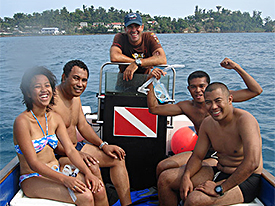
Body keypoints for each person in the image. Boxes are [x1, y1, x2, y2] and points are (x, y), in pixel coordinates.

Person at [147, 57, 263, 177]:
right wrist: (150, 82)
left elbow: (256, 91)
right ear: (188, 89)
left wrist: (236, 67)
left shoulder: (222, 99)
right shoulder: (187, 106)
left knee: (181, 176)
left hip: (219, 155)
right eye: (193, 87)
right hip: (201, 151)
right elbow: (154, 109)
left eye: (202, 86)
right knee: (162, 166)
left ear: (209, 87)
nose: (198, 90)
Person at [13, 66, 108, 206]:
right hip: (33, 177)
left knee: (98, 188)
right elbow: (33, 162)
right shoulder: (22, 122)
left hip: (56, 169)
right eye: (37, 87)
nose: (44, 90)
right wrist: (64, 179)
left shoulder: (55, 118)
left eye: (47, 86)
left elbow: (70, 150)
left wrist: (87, 173)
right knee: (85, 196)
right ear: (28, 92)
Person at [158, 82, 263, 206]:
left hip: (245, 180)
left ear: (230, 99)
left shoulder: (245, 120)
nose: (213, 107)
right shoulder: (208, 123)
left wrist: (221, 188)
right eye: (208, 102)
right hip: (218, 170)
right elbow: (197, 156)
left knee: (194, 200)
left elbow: (252, 162)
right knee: (165, 179)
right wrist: (186, 176)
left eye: (218, 101)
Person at [52, 60, 132, 206]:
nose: (80, 84)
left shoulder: (75, 97)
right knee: (93, 167)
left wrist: (103, 145)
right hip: (60, 154)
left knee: (117, 158)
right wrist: (77, 154)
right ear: (64, 77)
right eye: (76, 78)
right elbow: (51, 142)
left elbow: (83, 125)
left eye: (84, 80)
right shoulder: (52, 102)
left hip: (76, 148)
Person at [110, 12, 167, 82]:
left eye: (137, 26)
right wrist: (137, 63)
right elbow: (114, 56)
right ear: (125, 29)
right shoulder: (120, 37)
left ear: (142, 27)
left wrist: (137, 63)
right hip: (124, 82)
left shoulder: (150, 37)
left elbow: (162, 59)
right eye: (130, 27)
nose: (134, 30)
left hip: (145, 81)